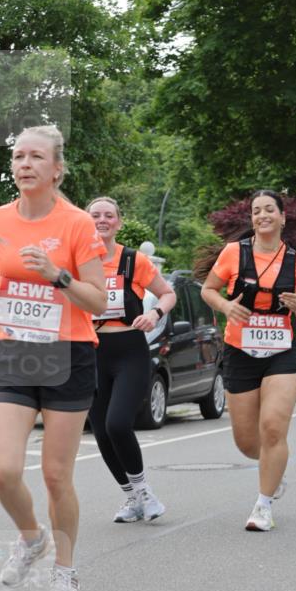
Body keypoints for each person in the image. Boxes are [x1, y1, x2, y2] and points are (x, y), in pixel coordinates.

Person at [0, 125, 107, 591]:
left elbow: (96, 300)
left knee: (55, 475)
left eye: (35, 157)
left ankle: (65, 571)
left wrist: (57, 275)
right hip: (12, 350)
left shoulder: (76, 224)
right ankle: (31, 537)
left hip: (68, 353)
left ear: (57, 169)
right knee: (2, 471)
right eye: (18, 157)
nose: (24, 164)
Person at [200, 190, 296, 532]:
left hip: (281, 352)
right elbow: (208, 290)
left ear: (282, 217)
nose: (262, 215)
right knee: (248, 442)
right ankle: (273, 471)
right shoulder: (235, 253)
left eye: (269, 210)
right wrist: (226, 306)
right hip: (240, 351)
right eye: (256, 211)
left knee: (274, 427)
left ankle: (263, 506)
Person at [86, 197, 176, 522]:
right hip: (91, 352)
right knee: (100, 431)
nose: (102, 220)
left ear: (118, 223)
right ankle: (132, 498)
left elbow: (169, 293)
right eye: (95, 215)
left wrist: (154, 312)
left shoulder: (132, 260)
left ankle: (144, 491)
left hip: (129, 350)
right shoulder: (77, 261)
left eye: (109, 215)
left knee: (118, 423)